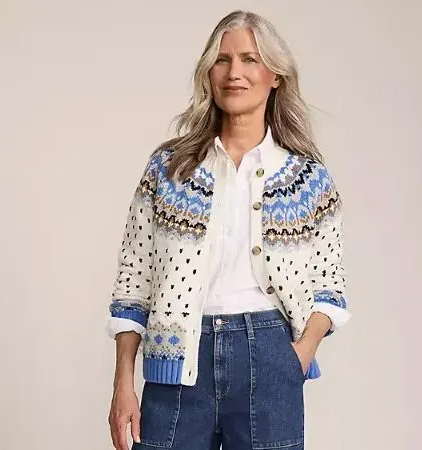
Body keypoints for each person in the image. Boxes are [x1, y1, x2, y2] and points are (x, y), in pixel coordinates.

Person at [106, 10, 351, 450]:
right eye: (222, 60)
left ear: (275, 75)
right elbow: (133, 282)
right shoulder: (169, 169)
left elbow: (330, 288)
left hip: (270, 357)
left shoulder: (307, 179)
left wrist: (296, 357)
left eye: (249, 59)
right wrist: (123, 383)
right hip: (178, 358)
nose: (234, 72)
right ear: (208, 73)